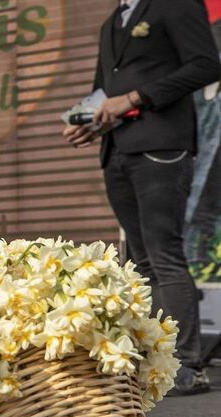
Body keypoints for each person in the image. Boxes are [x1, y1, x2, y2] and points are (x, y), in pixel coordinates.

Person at [62, 0, 220, 395]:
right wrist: (89, 121)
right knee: (141, 259)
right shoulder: (112, 20)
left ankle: (189, 365)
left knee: (164, 254)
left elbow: (206, 65)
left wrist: (135, 98)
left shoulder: (176, 5)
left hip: (163, 146)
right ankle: (156, 361)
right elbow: (104, 90)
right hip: (117, 149)